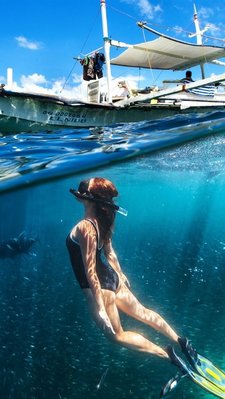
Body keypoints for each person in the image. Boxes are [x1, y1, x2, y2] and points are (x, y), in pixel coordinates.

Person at [66, 177, 196, 369]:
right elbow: (109, 253)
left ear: (85, 199)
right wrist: (119, 273)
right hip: (112, 278)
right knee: (144, 312)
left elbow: (90, 270)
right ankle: (181, 341)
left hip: (101, 289)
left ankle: (167, 355)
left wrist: (101, 306)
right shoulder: (104, 221)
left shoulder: (86, 227)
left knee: (117, 335)